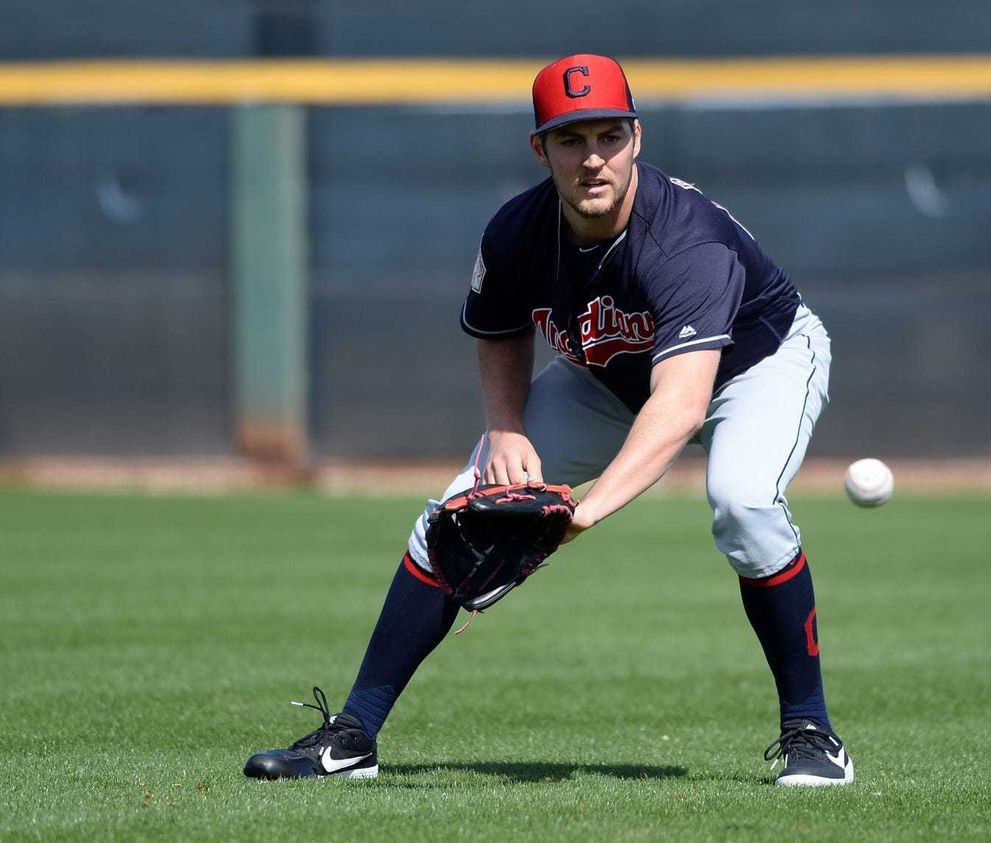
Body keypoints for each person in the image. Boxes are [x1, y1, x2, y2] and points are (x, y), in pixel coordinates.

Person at [244, 53, 851, 787]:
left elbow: (682, 402)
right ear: (540, 148)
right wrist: (506, 429)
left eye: (608, 136)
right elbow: (499, 329)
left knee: (743, 501)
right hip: (611, 380)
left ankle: (812, 732)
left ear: (637, 137)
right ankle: (352, 736)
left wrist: (583, 512)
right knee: (460, 511)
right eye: (571, 139)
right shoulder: (516, 232)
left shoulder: (686, 240)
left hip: (756, 366)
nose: (592, 158)